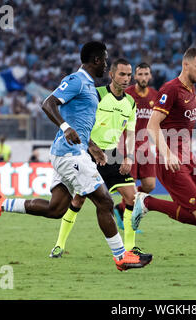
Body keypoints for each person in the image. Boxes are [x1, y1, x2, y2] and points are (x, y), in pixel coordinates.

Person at [0, 41, 151, 272]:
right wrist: (66, 127)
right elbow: (48, 103)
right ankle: (121, 257)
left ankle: (0, 203)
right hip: (71, 155)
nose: (106, 64)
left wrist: (92, 145)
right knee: (105, 202)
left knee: (56, 209)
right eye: (105, 60)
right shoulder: (76, 80)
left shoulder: (89, 86)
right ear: (96, 61)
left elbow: (80, 124)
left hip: (73, 152)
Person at [131, 47, 196, 271]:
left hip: (188, 158)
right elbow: (152, 125)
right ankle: (146, 202)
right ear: (185, 65)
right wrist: (167, 154)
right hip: (170, 162)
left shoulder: (189, 90)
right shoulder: (170, 89)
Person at [49, 58, 152, 260]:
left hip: (113, 154)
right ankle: (59, 245)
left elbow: (130, 134)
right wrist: (90, 146)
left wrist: (129, 157)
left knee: (132, 197)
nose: (126, 79)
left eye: (129, 75)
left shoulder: (131, 103)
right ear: (111, 75)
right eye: (122, 74)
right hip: (89, 152)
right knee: (78, 200)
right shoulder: (96, 95)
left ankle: (130, 248)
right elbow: (80, 121)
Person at [113, 62, 158, 230]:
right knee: (130, 187)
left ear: (150, 76)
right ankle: (128, 222)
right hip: (127, 145)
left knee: (150, 185)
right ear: (135, 76)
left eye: (146, 74)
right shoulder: (127, 94)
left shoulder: (155, 96)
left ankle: (120, 207)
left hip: (145, 146)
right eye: (140, 74)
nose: (143, 77)